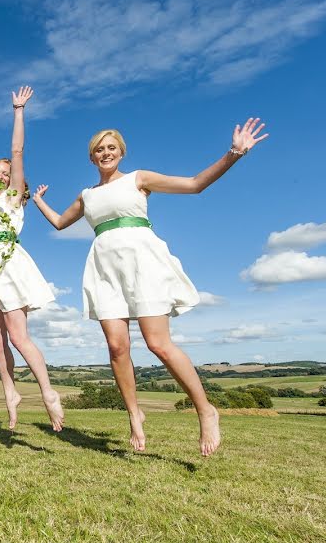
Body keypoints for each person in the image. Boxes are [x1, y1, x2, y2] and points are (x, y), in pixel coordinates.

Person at [32, 118, 268, 456]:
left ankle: (205, 409)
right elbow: (59, 222)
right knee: (116, 347)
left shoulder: (138, 179)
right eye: (99, 149)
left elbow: (195, 184)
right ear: (92, 158)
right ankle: (134, 414)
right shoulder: (87, 195)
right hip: (104, 267)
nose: (106, 152)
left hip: (142, 260)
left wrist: (234, 153)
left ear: (121, 153)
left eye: (111, 147)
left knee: (158, 343)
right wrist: (39, 200)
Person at [0, 86, 63, 432]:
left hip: (8, 262)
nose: (1, 175)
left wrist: (18, 110)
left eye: (6, 172)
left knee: (18, 336)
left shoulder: (12, 199)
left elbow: (17, 150)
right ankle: (11, 395)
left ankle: (49, 393)